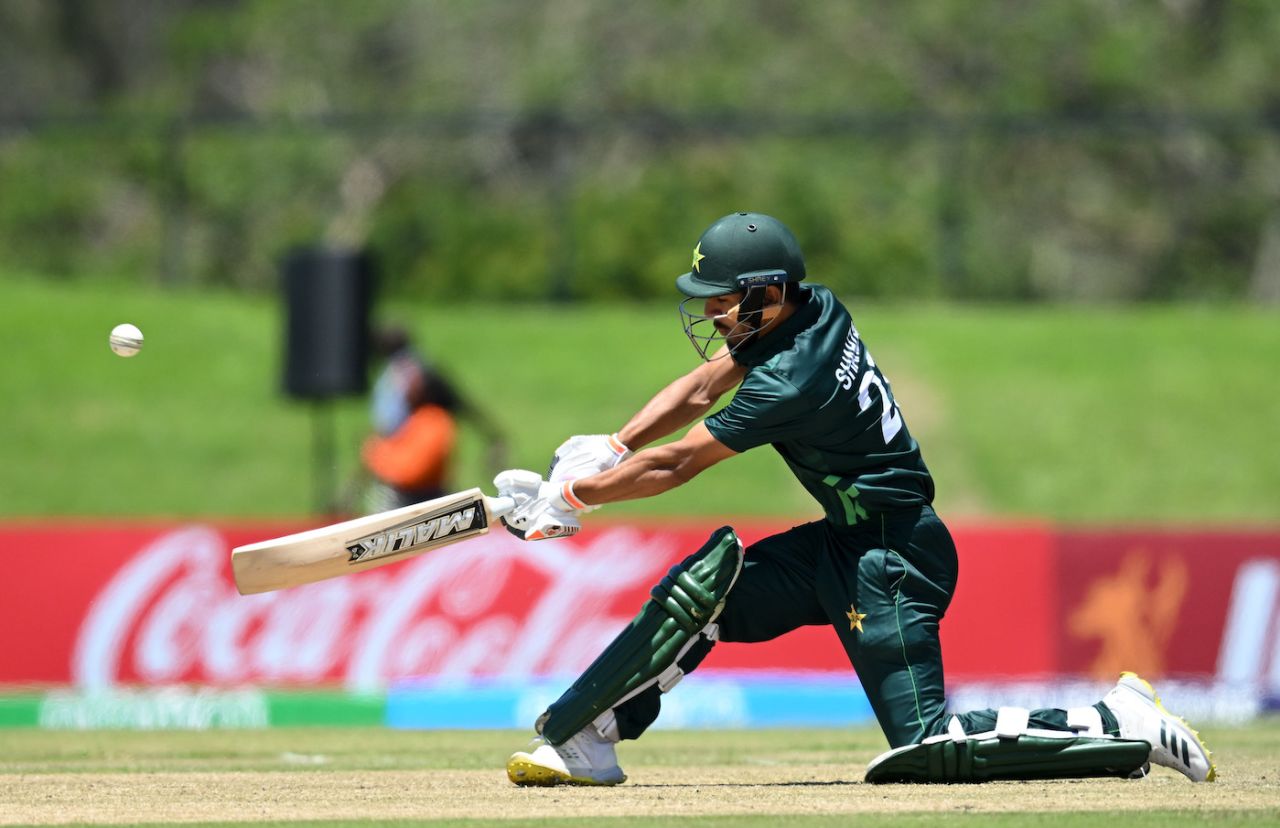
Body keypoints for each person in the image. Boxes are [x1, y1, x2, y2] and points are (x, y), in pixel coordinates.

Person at [493, 212, 1216, 786]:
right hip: (845, 541)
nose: (712, 313)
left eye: (723, 300)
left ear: (767, 294)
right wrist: (611, 448)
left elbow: (680, 464)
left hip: (895, 558)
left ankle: (1120, 721)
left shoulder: (792, 381)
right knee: (705, 593)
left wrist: (574, 498)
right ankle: (588, 739)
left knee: (926, 746)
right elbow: (703, 384)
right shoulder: (813, 307)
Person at [359, 326, 507, 512]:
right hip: (401, 480)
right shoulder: (411, 375)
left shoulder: (430, 419)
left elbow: (388, 431)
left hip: (410, 485)